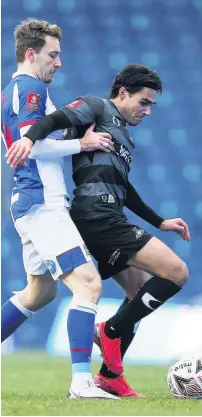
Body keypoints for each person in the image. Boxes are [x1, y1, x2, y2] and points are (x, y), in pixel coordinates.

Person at [5, 64, 190, 398]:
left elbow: (124, 188)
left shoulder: (123, 137)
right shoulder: (95, 107)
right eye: (143, 102)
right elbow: (54, 120)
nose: (147, 111)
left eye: (151, 105)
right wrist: (29, 139)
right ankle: (109, 331)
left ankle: (109, 375)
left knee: (139, 290)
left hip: (106, 215)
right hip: (96, 216)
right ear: (122, 94)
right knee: (177, 272)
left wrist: (160, 222)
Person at [1, 18, 119, 400]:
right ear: (31, 54)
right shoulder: (30, 87)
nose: (59, 62)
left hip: (31, 202)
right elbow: (28, 144)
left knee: (39, 293)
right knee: (88, 284)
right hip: (42, 204)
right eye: (53, 55)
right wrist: (81, 145)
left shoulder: (11, 92)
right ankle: (82, 384)